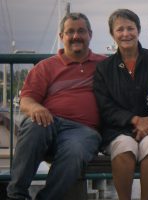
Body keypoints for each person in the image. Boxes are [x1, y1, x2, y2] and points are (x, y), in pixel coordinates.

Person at [7, 12, 106, 200]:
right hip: (49, 122)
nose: (76, 36)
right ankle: (16, 195)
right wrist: (36, 108)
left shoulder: (104, 65)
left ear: (90, 35)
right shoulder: (45, 67)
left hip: (83, 131)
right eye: (70, 32)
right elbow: (26, 100)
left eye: (81, 31)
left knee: (75, 151)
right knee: (33, 126)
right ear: (62, 37)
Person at [93, 9, 148, 200]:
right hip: (118, 129)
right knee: (125, 146)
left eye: (130, 28)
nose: (126, 34)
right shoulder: (104, 68)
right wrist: (134, 120)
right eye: (120, 29)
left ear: (138, 30)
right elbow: (105, 106)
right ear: (112, 34)